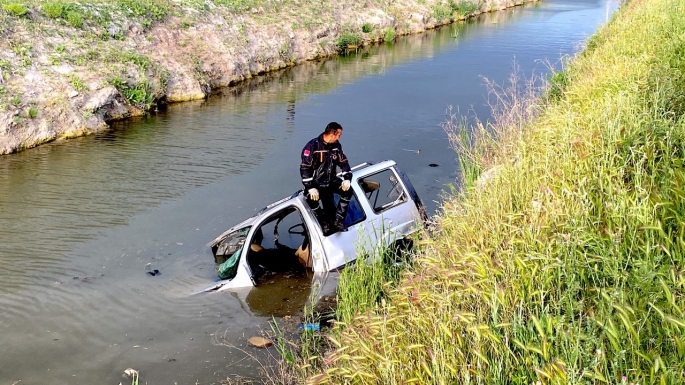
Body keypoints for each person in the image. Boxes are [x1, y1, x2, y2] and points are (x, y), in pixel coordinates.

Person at [300, 122, 353, 236]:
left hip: (330, 180)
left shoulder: (336, 146)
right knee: (312, 201)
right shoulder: (312, 146)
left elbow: (343, 162)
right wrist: (310, 187)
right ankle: (324, 223)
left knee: (348, 191)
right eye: (339, 135)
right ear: (332, 134)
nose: (339, 137)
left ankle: (338, 221)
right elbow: (305, 168)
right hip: (316, 183)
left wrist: (347, 178)